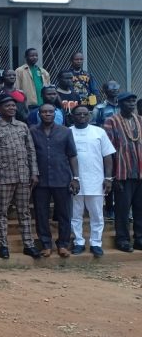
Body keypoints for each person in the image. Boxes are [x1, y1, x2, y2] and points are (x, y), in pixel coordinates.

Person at [0, 93, 41, 260]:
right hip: (3, 177)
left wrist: (34, 172)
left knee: (24, 212)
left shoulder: (23, 126)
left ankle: (28, 245)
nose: (12, 108)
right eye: (8, 106)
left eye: (13, 105)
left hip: (23, 175)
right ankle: (3, 245)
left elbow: (31, 150)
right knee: (1, 212)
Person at [30, 103, 79, 258]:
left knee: (65, 213)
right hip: (40, 180)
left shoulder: (65, 131)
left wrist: (75, 178)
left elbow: (72, 155)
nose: (47, 114)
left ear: (55, 114)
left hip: (62, 178)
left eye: (50, 112)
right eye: (44, 112)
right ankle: (46, 244)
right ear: (39, 114)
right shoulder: (32, 131)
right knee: (41, 214)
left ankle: (63, 244)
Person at [70, 105, 115, 257]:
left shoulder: (99, 132)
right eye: (78, 114)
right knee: (75, 215)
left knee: (97, 215)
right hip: (74, 181)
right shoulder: (67, 132)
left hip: (96, 180)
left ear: (89, 115)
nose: (82, 116)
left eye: (85, 114)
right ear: (72, 116)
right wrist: (72, 178)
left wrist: (108, 178)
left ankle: (96, 243)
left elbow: (107, 156)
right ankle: (79, 242)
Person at [103, 92, 142, 252]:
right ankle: (122, 240)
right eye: (128, 101)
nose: (131, 104)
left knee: (140, 208)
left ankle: (139, 239)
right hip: (122, 173)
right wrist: (112, 177)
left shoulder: (140, 120)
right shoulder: (111, 121)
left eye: (133, 101)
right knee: (122, 209)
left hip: (140, 173)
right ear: (119, 103)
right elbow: (108, 151)